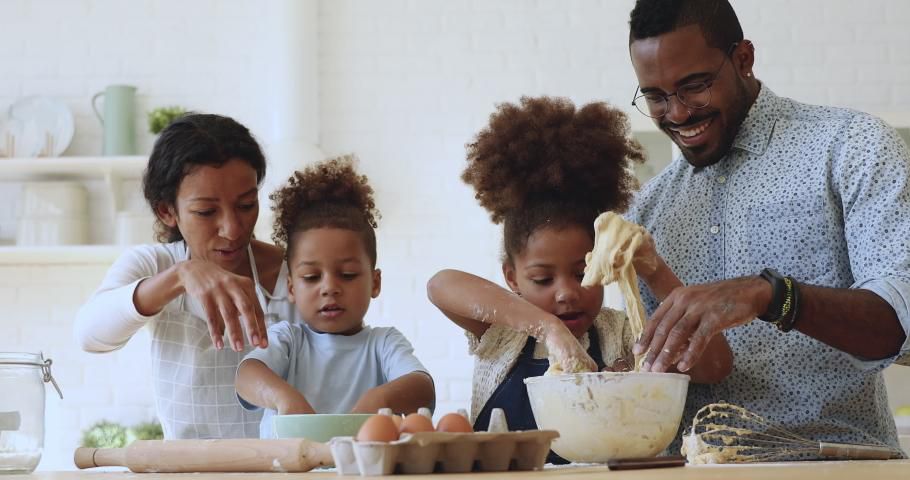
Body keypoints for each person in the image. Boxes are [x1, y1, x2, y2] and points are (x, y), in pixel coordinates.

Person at [624, 0, 910, 454]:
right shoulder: (647, 211)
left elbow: (899, 325)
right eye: (656, 96)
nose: (676, 114)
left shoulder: (849, 147)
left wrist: (772, 294)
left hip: (836, 468)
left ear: (743, 59)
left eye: (694, 87)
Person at [427, 96, 733, 463]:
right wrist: (548, 330)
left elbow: (715, 366)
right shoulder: (501, 333)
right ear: (512, 277)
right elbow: (440, 285)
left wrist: (654, 269)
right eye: (542, 279)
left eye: (583, 272)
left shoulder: (621, 336)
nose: (567, 293)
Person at [74, 114, 288, 439]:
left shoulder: (296, 271)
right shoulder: (155, 264)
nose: (231, 229)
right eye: (206, 211)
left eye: (245, 205)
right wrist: (179, 276)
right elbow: (89, 335)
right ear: (167, 211)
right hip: (187, 470)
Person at [234, 155, 435, 438]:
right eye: (312, 277)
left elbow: (422, 388)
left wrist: (380, 399)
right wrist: (281, 397)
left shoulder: (383, 344)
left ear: (375, 283)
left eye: (348, 274)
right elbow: (247, 375)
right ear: (291, 288)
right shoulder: (289, 340)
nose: (329, 287)